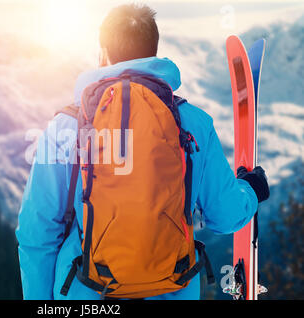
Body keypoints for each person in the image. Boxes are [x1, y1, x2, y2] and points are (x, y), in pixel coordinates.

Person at [16, 3, 269, 300]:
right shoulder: (193, 123)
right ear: (154, 52)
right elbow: (223, 216)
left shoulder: (65, 128)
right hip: (174, 287)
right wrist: (250, 190)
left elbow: (38, 232)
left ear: (103, 53)